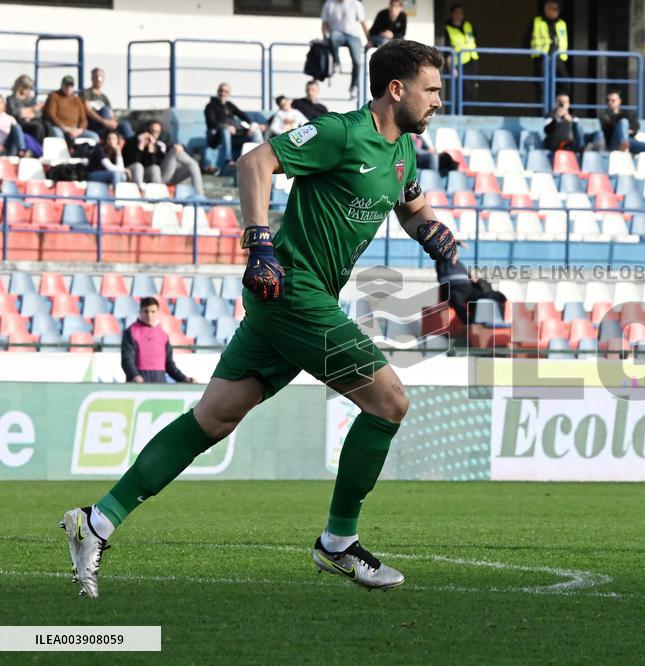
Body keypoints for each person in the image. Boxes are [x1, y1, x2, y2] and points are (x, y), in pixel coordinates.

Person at [61, 39, 455, 598]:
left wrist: (437, 239)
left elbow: (412, 206)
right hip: (291, 292)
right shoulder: (341, 133)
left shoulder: (404, 152)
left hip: (298, 304)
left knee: (213, 419)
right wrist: (258, 241)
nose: (439, 100)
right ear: (397, 89)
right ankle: (338, 542)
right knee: (389, 401)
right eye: (432, 89)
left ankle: (95, 522)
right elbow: (255, 162)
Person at [121, 297, 195, 384]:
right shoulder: (131, 332)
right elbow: (127, 360)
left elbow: (169, 364)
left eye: (153, 311)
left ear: (158, 313)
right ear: (140, 312)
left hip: (159, 383)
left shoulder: (163, 334)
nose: (149, 315)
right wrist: (134, 375)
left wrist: (184, 379)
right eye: (146, 311)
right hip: (138, 384)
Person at [124, 120, 205, 196]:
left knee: (193, 166)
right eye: (152, 131)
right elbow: (138, 164)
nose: (154, 134)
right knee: (159, 165)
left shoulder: (161, 141)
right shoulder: (134, 141)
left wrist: (181, 147)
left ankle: (200, 196)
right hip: (154, 177)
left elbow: (171, 147)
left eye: (157, 132)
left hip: (167, 174)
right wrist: (142, 147)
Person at [204, 83, 264, 171]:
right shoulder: (210, 106)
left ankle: (261, 157)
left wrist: (251, 124)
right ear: (217, 91)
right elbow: (211, 123)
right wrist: (226, 127)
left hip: (235, 136)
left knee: (255, 130)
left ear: (228, 93)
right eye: (221, 90)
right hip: (218, 138)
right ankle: (228, 160)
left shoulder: (229, 105)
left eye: (226, 91)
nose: (223, 93)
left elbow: (242, 114)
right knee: (225, 130)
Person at [436, 257, 506, 325]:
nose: (454, 254)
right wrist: (459, 244)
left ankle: (503, 304)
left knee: (489, 296)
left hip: (468, 289)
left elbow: (471, 277)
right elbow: (439, 250)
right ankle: (468, 324)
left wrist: (474, 278)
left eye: (455, 252)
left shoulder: (460, 265)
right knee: (456, 301)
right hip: (453, 290)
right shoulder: (441, 263)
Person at [321, 0, 369, 99]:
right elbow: (324, 23)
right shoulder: (329, 3)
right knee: (333, 36)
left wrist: (369, 40)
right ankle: (336, 62)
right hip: (337, 33)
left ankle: (353, 86)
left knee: (357, 62)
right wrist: (325, 37)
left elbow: (363, 22)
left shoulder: (356, 4)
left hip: (353, 36)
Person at [528, 0, 569, 99]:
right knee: (543, 87)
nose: (553, 11)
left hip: (558, 57)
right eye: (550, 8)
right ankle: (544, 112)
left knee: (565, 83)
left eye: (556, 9)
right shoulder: (536, 22)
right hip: (542, 57)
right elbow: (527, 41)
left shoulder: (561, 23)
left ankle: (560, 108)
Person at [81, 68, 134, 139]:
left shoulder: (104, 98)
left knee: (125, 125)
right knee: (104, 110)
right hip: (94, 125)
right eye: (96, 77)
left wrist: (113, 122)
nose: (98, 79)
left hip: (107, 125)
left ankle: (132, 147)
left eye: (101, 77)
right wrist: (105, 122)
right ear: (92, 78)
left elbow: (111, 114)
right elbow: (88, 111)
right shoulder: (86, 93)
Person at [43, 75, 99, 143]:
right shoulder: (54, 96)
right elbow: (51, 115)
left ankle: (83, 152)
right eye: (66, 86)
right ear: (62, 85)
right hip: (59, 127)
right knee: (57, 134)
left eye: (71, 86)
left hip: (75, 129)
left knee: (94, 136)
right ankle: (61, 153)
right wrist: (65, 128)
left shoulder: (77, 100)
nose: (69, 88)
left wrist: (79, 130)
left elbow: (83, 119)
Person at [596, 90, 645, 155]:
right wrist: (622, 129)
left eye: (613, 100)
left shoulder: (626, 114)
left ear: (619, 101)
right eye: (608, 100)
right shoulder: (604, 115)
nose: (610, 102)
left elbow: (635, 126)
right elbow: (609, 129)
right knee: (623, 122)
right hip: (614, 143)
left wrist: (625, 130)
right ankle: (624, 144)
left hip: (629, 141)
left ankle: (625, 144)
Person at [443, 4, 480, 104]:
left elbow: (475, 40)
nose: (459, 15)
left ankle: (468, 114)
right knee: (459, 91)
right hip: (458, 64)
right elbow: (447, 51)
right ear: (452, 14)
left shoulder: (468, 25)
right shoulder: (448, 29)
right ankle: (459, 115)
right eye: (457, 12)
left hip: (472, 61)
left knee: (471, 90)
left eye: (461, 12)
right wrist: (451, 68)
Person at [6, 75, 45, 148]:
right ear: (19, 86)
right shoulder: (11, 99)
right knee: (38, 127)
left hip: (33, 121)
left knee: (47, 125)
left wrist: (25, 113)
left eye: (30, 88)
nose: (28, 90)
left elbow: (38, 114)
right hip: (19, 124)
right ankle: (35, 150)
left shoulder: (31, 100)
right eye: (26, 87)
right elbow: (14, 112)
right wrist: (32, 109)